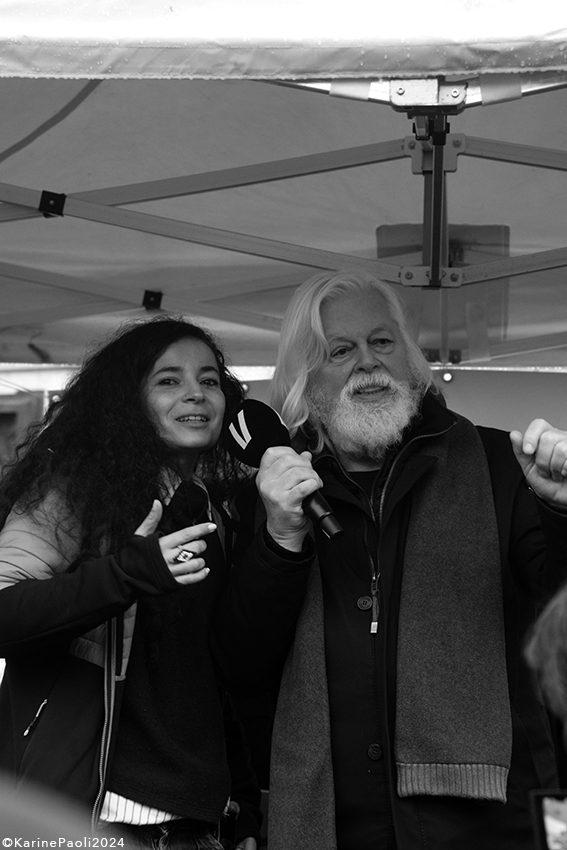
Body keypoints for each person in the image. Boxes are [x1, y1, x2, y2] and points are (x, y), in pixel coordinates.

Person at [213, 270, 567, 850]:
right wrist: (279, 535)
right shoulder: (273, 491)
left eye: (382, 342)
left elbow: (560, 618)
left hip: (497, 827)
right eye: (341, 350)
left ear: (411, 356)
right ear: (305, 376)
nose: (368, 363)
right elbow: (241, 669)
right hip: (333, 826)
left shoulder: (501, 466)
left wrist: (561, 514)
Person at [0, 317, 262, 850]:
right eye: (168, 380)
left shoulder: (218, 509)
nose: (195, 392)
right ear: (127, 400)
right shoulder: (76, 488)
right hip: (89, 819)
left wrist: (245, 800)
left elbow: (212, 674)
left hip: (198, 823)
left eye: (209, 380)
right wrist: (125, 575)